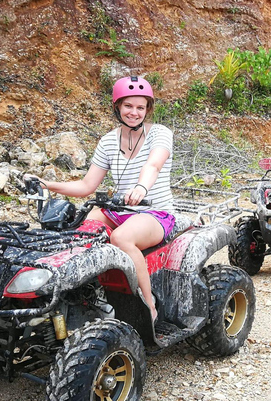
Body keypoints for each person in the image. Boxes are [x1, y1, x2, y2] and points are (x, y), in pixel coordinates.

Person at [30, 76, 174, 323]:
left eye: (141, 107)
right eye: (128, 106)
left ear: (148, 109)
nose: (134, 112)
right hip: (118, 209)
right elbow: (86, 185)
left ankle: (148, 305)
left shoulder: (159, 133)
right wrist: (47, 184)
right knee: (77, 232)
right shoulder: (108, 141)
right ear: (117, 106)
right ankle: (76, 295)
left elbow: (154, 164)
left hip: (154, 212)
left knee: (121, 238)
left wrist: (141, 187)